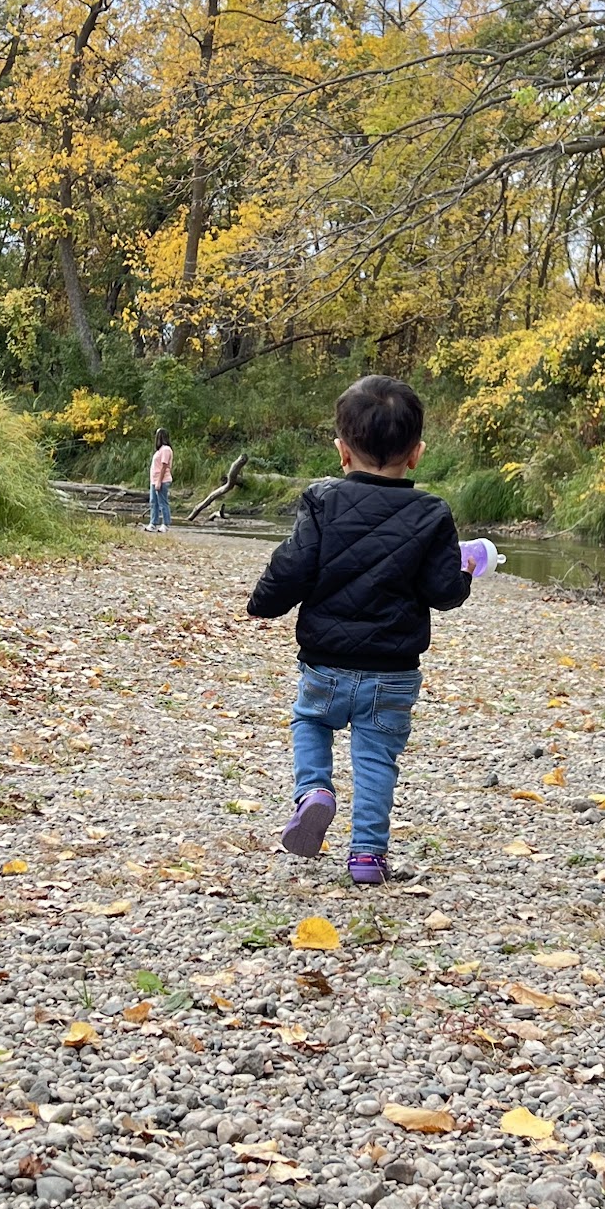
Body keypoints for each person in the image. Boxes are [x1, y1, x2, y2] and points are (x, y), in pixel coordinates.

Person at [246, 375, 471, 884]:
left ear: (342, 452)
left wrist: (263, 604)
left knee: (310, 722)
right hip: (391, 672)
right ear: (416, 454)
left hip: (325, 661)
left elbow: (292, 565)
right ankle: (367, 856)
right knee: (375, 758)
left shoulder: (322, 501)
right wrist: (465, 571)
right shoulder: (432, 513)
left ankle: (315, 792)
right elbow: (444, 592)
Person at [146, 429, 174, 533]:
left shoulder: (166, 449)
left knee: (163, 502)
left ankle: (166, 524)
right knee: (154, 502)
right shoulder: (160, 450)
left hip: (162, 479)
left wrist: (159, 481)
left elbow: (164, 465)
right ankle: (153, 523)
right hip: (154, 480)